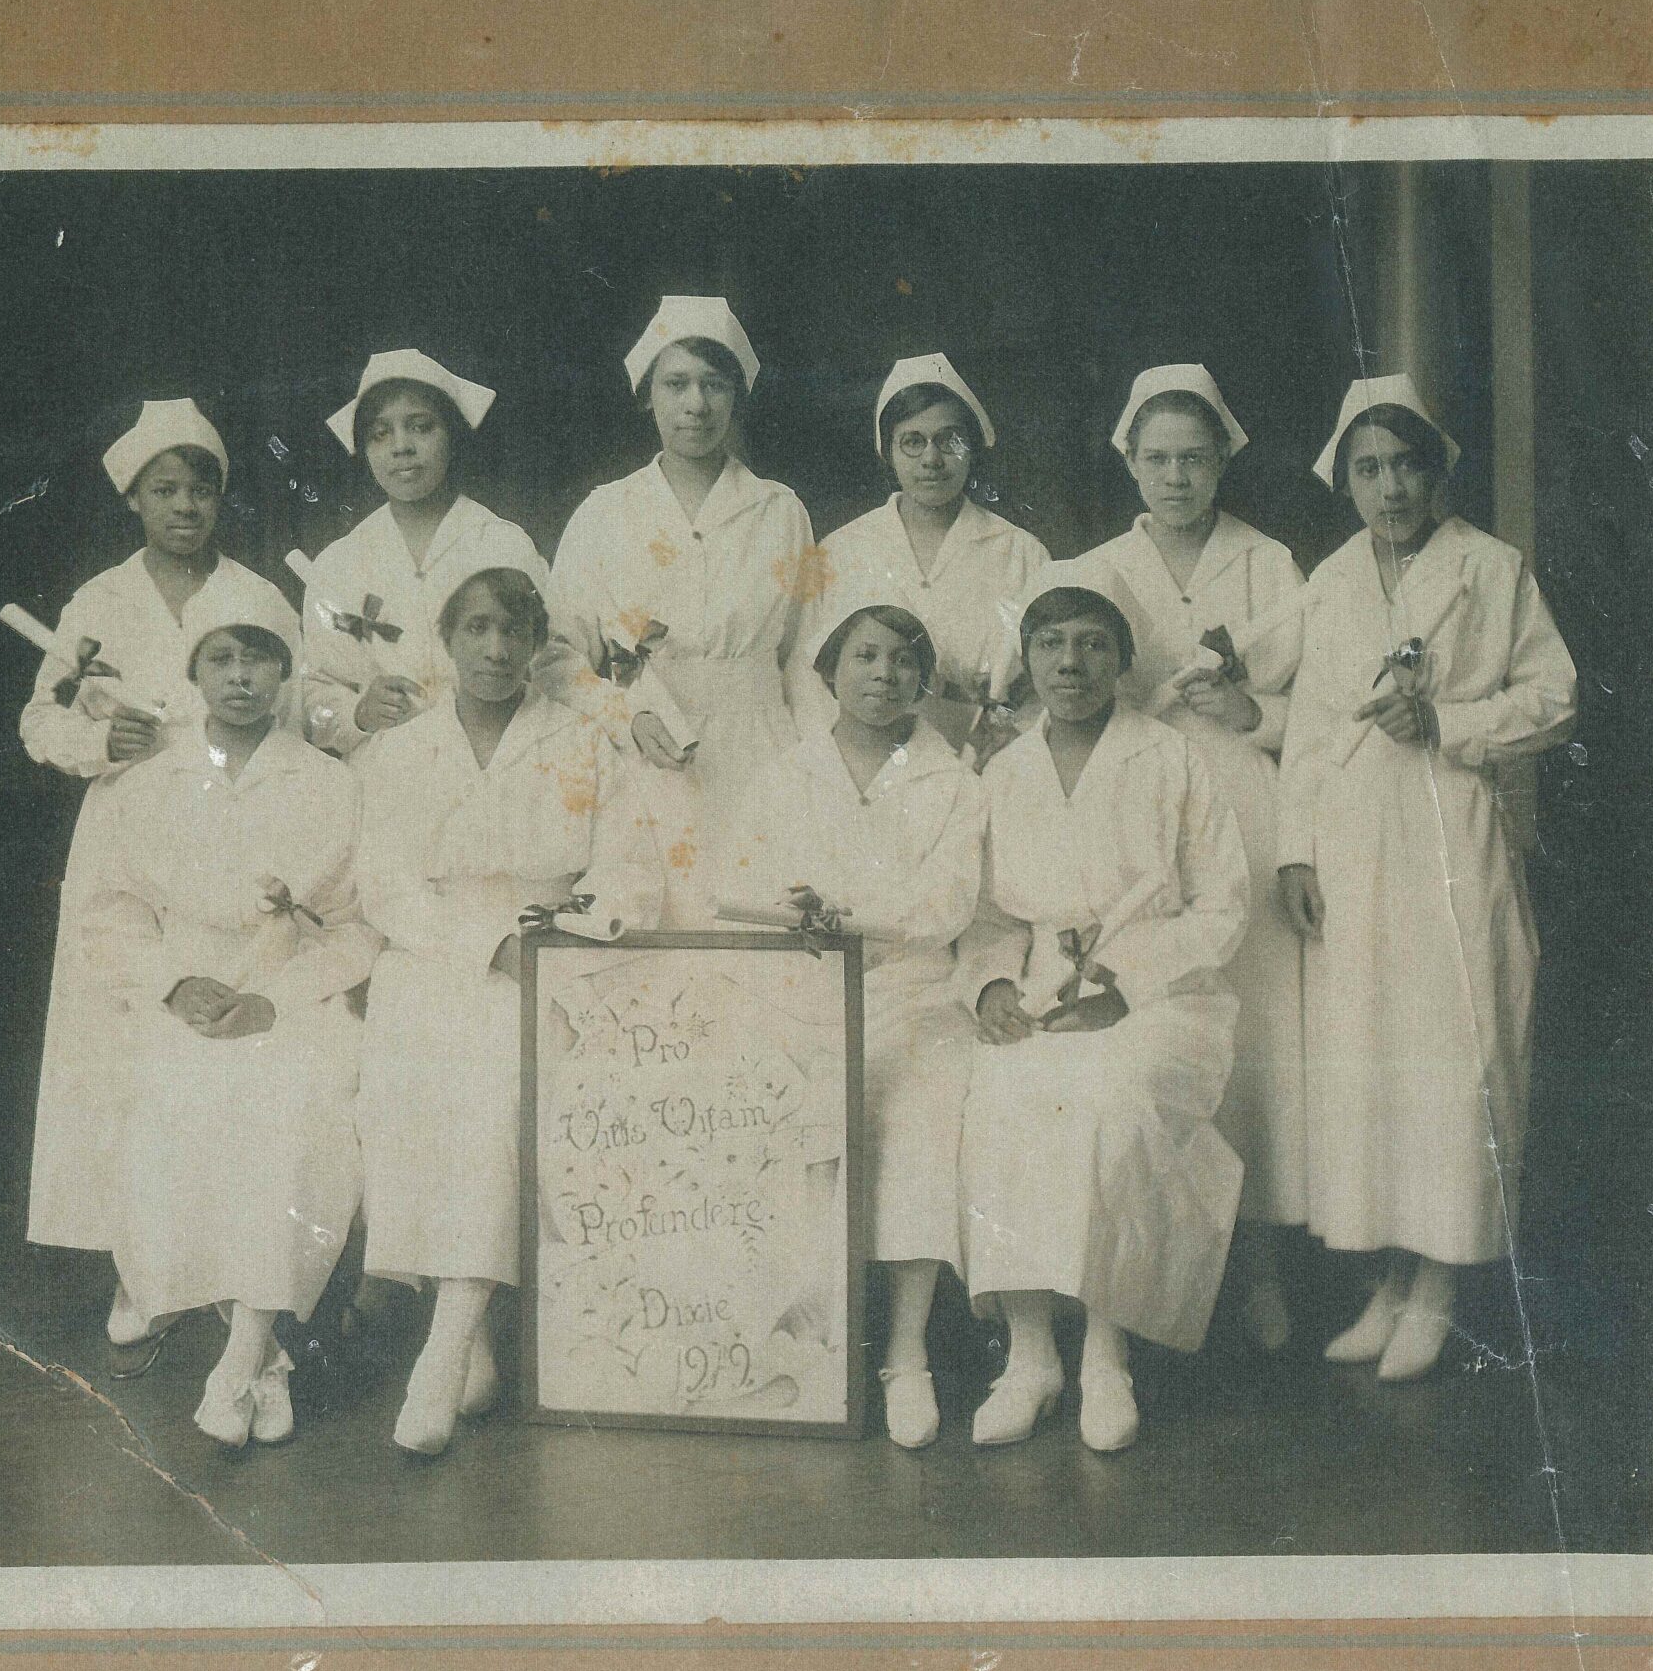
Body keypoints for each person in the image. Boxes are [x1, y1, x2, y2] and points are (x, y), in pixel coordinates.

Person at [1277, 375, 1578, 1382]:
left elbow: (1553, 695)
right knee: (1373, 1062)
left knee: (1454, 1054)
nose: (1390, 483)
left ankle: (1442, 1287)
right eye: (1369, 467)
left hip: (1450, 832)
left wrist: (1451, 722)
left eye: (1406, 462)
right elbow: (1314, 730)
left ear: (1434, 467)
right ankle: (1390, 1283)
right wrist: (1297, 850)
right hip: (1356, 844)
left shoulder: (1490, 569)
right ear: (1344, 480)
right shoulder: (1326, 583)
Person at [356, 566, 666, 1456]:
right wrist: (479, 945)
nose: (496, 650)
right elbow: (383, 883)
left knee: (496, 1108)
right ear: (447, 641)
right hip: (432, 962)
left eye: (514, 633)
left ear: (537, 646)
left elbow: (627, 868)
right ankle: (477, 1342)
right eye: (478, 630)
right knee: (414, 1110)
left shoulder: (583, 743)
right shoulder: (402, 750)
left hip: (550, 960)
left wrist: (570, 940)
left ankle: (441, 1352)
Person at [18, 399, 307, 1346]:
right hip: (132, 835)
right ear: (133, 498)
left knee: (227, 1034)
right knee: (128, 1043)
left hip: (238, 829)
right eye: (164, 489)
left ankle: (232, 1263)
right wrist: (105, 736)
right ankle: (140, 1269)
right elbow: (42, 720)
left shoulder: (260, 596)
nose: (185, 505)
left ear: (223, 496)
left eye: (201, 487)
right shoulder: (98, 603)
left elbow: (293, 720)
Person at [956, 567, 1250, 1453]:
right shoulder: (1004, 771)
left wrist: (1124, 981)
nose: (1070, 662)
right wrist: (994, 985)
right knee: (997, 1099)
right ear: (1028, 661)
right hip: (1041, 984)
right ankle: (1033, 1355)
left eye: (1091, 645)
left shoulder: (1169, 756)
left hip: (1161, 990)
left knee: (1109, 1101)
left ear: (1122, 661)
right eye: (1051, 644)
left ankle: (1106, 1356)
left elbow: (1223, 904)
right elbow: (984, 913)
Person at [83, 599, 372, 1446]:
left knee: (293, 1124)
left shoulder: (329, 781)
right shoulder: (149, 781)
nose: (241, 677)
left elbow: (357, 926)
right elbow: (109, 914)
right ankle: (267, 1361)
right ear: (193, 673)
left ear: (285, 671)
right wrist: (174, 984)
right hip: (184, 996)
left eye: (259, 659)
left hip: (292, 996)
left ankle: (238, 1360)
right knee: (172, 1119)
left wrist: (276, 999)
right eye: (221, 659)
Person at [723, 595, 989, 1448]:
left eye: (902, 661)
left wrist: (852, 916)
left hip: (915, 988)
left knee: (919, 1110)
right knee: (787, 1118)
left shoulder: (955, 783)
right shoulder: (782, 773)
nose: (883, 675)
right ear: (830, 670)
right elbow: (740, 884)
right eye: (865, 657)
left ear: (924, 679)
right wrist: (796, 913)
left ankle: (905, 1351)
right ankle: (809, 1338)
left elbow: (946, 904)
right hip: (797, 987)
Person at [1080, 364, 1307, 1350]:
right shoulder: (1091, 566)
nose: (1174, 475)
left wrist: (1254, 712)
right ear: (1128, 460)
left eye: (1193, 457)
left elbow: (1327, 713)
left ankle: (1254, 1268)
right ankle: (1139, 1277)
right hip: (1135, 818)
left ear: (1223, 459)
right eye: (1156, 457)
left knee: (1248, 1041)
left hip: (1242, 809)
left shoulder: (1269, 565)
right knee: (1144, 1031)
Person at [549, 296, 818, 922]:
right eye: (676, 384)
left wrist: (813, 772)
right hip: (643, 754)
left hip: (760, 753)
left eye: (713, 384)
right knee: (654, 927)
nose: (695, 404)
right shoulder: (604, 513)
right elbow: (560, 658)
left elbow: (806, 659)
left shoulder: (779, 510)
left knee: (753, 928)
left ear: (735, 397)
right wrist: (625, 716)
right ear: (648, 396)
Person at [296, 350, 555, 757]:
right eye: (381, 433)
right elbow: (312, 696)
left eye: (420, 427)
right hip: (388, 780)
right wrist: (359, 713)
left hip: (500, 766)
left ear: (451, 434)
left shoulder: (503, 543)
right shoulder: (339, 563)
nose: (401, 447)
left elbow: (549, 665)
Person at [800, 353, 1051, 764]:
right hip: (866, 765)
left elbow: (1040, 688)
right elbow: (806, 678)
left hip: (983, 764)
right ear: (888, 451)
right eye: (913, 442)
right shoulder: (840, 551)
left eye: (949, 441)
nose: (931, 460)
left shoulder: (1022, 554)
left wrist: (1006, 738)